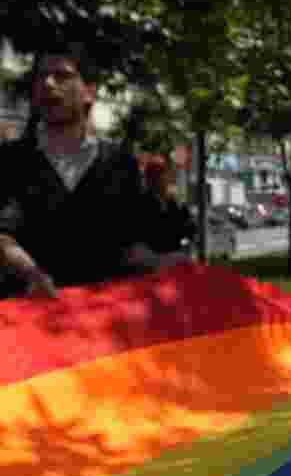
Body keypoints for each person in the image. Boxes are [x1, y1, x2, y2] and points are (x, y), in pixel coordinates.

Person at [0, 44, 175, 298]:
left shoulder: (119, 163)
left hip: (103, 321)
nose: (48, 83)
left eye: (62, 75)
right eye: (40, 76)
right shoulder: (9, 160)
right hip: (27, 321)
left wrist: (163, 263)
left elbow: (129, 243)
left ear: (89, 93)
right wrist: (32, 273)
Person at [141, 155, 196, 262]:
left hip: (175, 258)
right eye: (154, 175)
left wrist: (185, 242)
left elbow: (188, 229)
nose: (159, 179)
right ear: (148, 179)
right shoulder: (143, 202)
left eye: (161, 174)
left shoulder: (174, 203)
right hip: (153, 261)